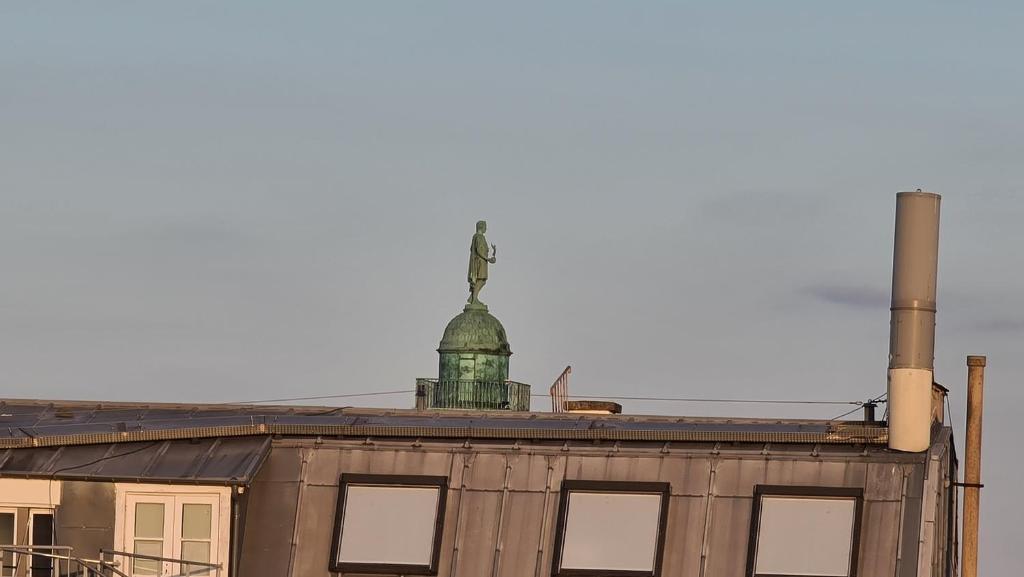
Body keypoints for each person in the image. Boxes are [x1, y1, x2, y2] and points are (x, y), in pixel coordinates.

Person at [468, 220, 497, 305]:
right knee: (481, 279)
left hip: (481, 261)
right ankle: (474, 298)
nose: (486, 229)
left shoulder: (476, 237)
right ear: (482, 227)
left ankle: (473, 297)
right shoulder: (479, 237)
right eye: (485, 227)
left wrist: (492, 253)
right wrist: (488, 259)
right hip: (480, 261)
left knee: (481, 280)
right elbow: (479, 250)